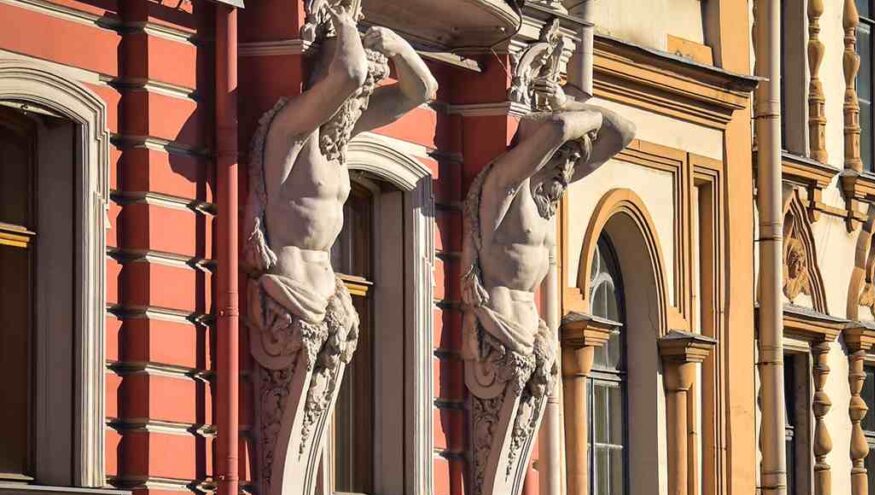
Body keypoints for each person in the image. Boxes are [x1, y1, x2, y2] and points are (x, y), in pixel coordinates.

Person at [246, 4, 437, 326]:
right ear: (325, 82)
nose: (359, 103)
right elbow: (350, 75)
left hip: (329, 293)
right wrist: (346, 24)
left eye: (364, 95)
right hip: (290, 286)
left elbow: (422, 92)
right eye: (357, 94)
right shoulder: (292, 130)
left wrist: (400, 49)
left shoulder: (343, 131)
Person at [462, 84, 636, 389]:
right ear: (540, 153)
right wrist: (569, 112)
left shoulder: (547, 195)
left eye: (573, 160)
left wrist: (569, 103)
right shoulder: (505, 187)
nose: (567, 168)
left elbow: (624, 133)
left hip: (535, 343)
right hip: (500, 339)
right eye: (562, 157)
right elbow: (559, 127)